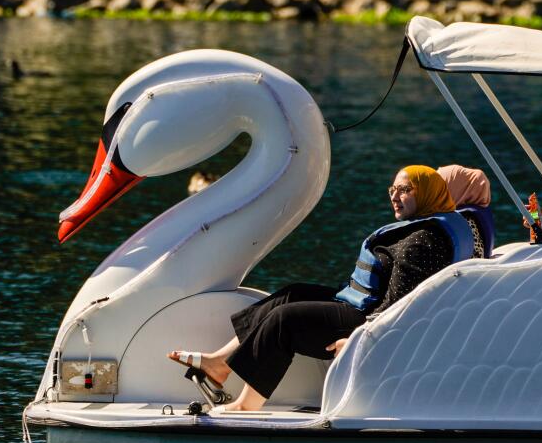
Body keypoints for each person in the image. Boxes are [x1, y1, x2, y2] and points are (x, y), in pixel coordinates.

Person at [167, 165, 484, 412]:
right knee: (291, 293)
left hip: (369, 323)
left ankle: (246, 405)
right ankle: (221, 363)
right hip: (360, 305)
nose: (394, 196)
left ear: (427, 193)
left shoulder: (423, 241)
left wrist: (359, 339)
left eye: (405, 190)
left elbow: (404, 304)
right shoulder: (425, 225)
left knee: (286, 321)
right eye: (393, 189)